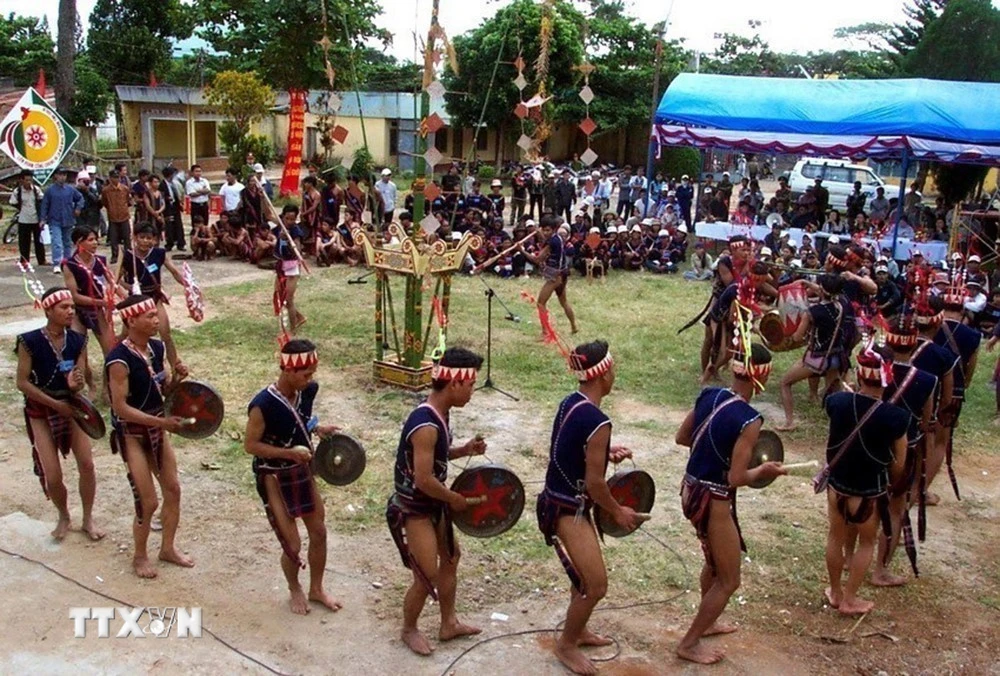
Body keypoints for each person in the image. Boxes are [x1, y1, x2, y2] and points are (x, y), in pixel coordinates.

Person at [675, 343, 785, 664]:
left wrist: (712, 453)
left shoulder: (709, 395)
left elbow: (682, 437)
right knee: (729, 579)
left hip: (690, 490)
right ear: (762, 376)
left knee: (714, 562)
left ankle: (706, 625)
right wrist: (763, 469)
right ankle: (689, 642)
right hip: (714, 500)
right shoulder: (750, 420)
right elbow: (736, 477)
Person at [536, 340, 642, 675]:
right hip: (568, 509)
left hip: (555, 498)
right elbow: (596, 485)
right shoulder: (598, 422)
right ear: (602, 374)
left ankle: (578, 631)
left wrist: (605, 453)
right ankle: (566, 645)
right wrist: (617, 511)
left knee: (583, 576)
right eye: (612, 369)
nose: (614, 374)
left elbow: (568, 448)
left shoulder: (571, 402)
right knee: (596, 585)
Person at [385, 347, 487, 656]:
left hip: (432, 501)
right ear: (455, 383)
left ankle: (448, 623)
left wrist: (465, 450)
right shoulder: (426, 424)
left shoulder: (441, 412)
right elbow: (424, 479)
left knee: (451, 559)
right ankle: (409, 628)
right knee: (426, 573)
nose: (472, 391)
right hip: (415, 507)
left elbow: (435, 459)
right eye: (470, 385)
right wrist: (454, 498)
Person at [244, 339, 344, 614]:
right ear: (288, 370)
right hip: (273, 475)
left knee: (319, 532)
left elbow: (300, 418)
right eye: (305, 373)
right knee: (293, 543)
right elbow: (250, 446)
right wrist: (289, 453)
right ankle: (294, 588)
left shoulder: (306, 391)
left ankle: (317, 588)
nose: (310, 379)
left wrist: (317, 428)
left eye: (312, 373)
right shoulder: (262, 404)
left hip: (301, 471)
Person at [105, 294, 194, 578]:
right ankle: (139, 556)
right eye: (150, 317)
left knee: (173, 490)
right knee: (148, 501)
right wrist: (160, 422)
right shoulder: (118, 359)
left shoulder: (155, 348)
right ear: (131, 321)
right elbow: (120, 407)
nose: (157, 321)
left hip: (157, 427)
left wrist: (177, 378)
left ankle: (167, 548)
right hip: (132, 433)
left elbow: (162, 389)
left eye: (156, 315)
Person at [822, 347, 909, 615]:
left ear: (860, 376)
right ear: (886, 377)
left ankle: (835, 591)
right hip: (868, 491)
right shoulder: (896, 418)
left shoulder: (837, 402)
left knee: (835, 537)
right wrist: (892, 484)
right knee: (867, 543)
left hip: (837, 487)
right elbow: (899, 464)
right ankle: (849, 599)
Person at [15, 287, 104, 541]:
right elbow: (22, 383)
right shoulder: (29, 341)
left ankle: (88, 518)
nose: (70, 312)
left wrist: (76, 384)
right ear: (48, 310)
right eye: (64, 307)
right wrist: (54, 405)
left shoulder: (78, 340)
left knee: (87, 465)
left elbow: (79, 378)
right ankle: (63, 515)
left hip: (71, 407)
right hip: (40, 410)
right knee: (53, 474)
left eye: (72, 307)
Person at [870, 315, 938, 586]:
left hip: (872, 443)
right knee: (895, 509)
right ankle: (880, 570)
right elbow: (926, 420)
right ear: (914, 345)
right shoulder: (927, 379)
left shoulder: (875, 368)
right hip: (905, 449)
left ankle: (852, 560)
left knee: (865, 501)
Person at [778, 274, 851, 430]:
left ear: (822, 290)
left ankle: (789, 422)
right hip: (837, 357)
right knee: (835, 392)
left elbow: (797, 337)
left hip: (817, 358)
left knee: (785, 383)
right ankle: (840, 424)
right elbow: (827, 292)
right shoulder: (842, 305)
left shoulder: (812, 312)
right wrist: (805, 282)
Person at [929, 290, 982, 502]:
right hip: (953, 394)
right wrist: (961, 386)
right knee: (940, 442)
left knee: (919, 437)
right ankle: (921, 490)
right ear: (963, 310)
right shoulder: (972, 336)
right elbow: (969, 372)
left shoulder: (930, 327)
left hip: (925, 387)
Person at [118, 224, 188, 372]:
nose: (145, 241)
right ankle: (117, 363)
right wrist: (127, 288)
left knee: (165, 333)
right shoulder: (127, 255)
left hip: (154, 299)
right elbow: (114, 279)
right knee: (125, 335)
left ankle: (176, 365)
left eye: (149, 238)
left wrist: (188, 285)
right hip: (135, 302)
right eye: (141, 237)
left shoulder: (159, 253)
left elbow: (175, 272)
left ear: (155, 240)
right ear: (135, 238)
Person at [62, 227, 119, 394]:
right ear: (79, 243)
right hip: (78, 312)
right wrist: (103, 301)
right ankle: (90, 386)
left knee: (110, 351)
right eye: (91, 239)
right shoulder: (69, 265)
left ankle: (106, 388)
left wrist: (124, 295)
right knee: (80, 355)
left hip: (98, 312)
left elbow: (113, 283)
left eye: (96, 239)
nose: (95, 243)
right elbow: (74, 296)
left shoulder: (100, 261)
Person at [519, 214, 579, 335]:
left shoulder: (553, 242)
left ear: (554, 229)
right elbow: (545, 239)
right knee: (563, 302)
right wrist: (538, 232)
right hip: (562, 275)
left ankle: (545, 331)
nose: (545, 232)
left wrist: (522, 251)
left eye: (548, 230)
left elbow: (537, 259)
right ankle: (574, 326)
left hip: (555, 277)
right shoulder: (558, 238)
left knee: (540, 303)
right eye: (543, 229)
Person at [40, 167, 83, 273]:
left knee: (67, 242)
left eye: (64, 175)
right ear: (56, 176)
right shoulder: (50, 190)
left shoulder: (70, 189)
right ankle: (57, 263)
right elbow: (44, 205)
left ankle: (67, 262)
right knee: (57, 242)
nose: (62, 177)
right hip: (54, 219)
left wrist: (78, 208)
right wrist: (42, 218)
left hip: (68, 218)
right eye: (60, 175)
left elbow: (80, 198)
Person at [273, 204, 307, 333]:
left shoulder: (295, 231)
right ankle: (298, 316)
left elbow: (297, 249)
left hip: (292, 267)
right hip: (281, 265)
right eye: (287, 218)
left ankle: (292, 330)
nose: (289, 222)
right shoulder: (280, 226)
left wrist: (288, 239)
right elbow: (268, 215)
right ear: (283, 217)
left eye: (292, 219)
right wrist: (262, 199)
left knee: (289, 299)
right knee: (279, 296)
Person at [10, 169, 46, 266]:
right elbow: (13, 202)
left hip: (35, 219)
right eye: (26, 180)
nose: (29, 182)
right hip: (23, 220)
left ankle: (42, 260)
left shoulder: (36, 190)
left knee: (39, 241)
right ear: (21, 180)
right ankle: (24, 261)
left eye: (30, 180)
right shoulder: (17, 191)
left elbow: (42, 200)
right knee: (24, 243)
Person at [101, 170, 132, 265]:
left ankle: (128, 254)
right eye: (114, 177)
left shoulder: (125, 188)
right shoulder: (106, 190)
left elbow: (128, 200)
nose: (116, 179)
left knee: (127, 237)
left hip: (124, 215)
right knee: (113, 238)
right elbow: (104, 202)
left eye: (117, 177)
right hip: (113, 217)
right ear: (110, 178)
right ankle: (115, 255)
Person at [160, 167, 187, 252]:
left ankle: (181, 243)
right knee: (169, 226)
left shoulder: (175, 183)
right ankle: (169, 243)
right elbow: (161, 197)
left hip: (175, 206)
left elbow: (180, 193)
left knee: (178, 225)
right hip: (167, 208)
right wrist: (166, 199)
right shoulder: (162, 185)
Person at [185, 164, 212, 229]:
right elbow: (192, 194)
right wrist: (203, 191)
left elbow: (208, 191)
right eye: (196, 171)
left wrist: (198, 191)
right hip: (195, 205)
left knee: (205, 223)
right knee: (196, 224)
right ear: (192, 172)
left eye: (200, 171)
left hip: (204, 205)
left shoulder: (204, 181)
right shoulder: (189, 182)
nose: (198, 173)